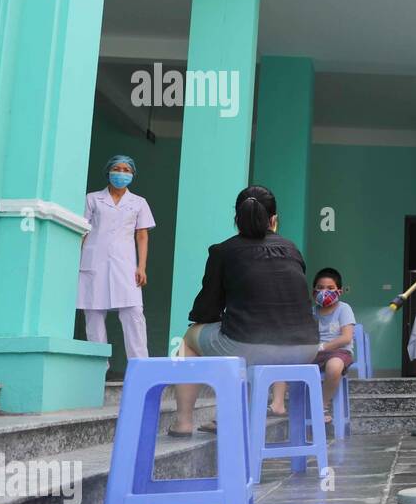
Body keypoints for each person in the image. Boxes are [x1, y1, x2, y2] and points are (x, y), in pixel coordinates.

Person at [172, 186, 319, 436]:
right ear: (274, 219)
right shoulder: (292, 249)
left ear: (237, 218)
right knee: (245, 340)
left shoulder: (223, 251)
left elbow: (206, 309)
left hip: (254, 346)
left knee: (191, 339)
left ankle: (183, 422)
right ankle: (224, 418)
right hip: (306, 348)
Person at [78, 155, 155, 362]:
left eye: (126, 170)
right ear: (108, 172)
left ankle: (140, 366)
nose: (121, 173)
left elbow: (142, 235)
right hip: (94, 261)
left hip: (126, 263)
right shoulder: (92, 198)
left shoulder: (139, 202)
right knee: (93, 314)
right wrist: (75, 261)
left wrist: (142, 266)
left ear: (132, 174)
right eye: (117, 169)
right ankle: (98, 367)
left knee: (134, 313)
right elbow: (83, 231)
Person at [303, 267, 355, 423]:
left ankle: (322, 405)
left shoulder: (344, 309)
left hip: (339, 352)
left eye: (330, 288)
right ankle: (292, 407)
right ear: (313, 292)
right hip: (314, 352)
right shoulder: (312, 312)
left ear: (339, 291)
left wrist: (323, 347)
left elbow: (346, 337)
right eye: (320, 288)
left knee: (334, 367)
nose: (324, 292)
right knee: (289, 362)